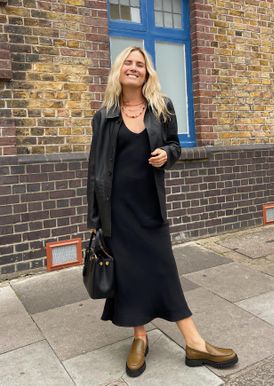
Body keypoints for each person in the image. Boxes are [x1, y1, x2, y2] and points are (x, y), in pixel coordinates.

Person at [86, 46, 238, 377]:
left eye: (140, 64)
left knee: (163, 269)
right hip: (117, 210)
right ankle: (140, 339)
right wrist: (95, 222)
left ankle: (193, 341)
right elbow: (94, 170)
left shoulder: (161, 106)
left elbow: (175, 146)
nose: (134, 68)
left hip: (149, 205)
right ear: (119, 69)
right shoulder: (104, 115)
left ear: (147, 72)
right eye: (128, 62)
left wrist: (166, 155)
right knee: (128, 274)